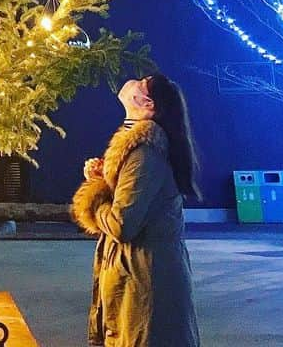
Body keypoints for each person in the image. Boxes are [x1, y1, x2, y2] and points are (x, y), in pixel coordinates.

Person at [71, 74, 201, 347]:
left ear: (148, 104)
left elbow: (122, 224)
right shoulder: (139, 148)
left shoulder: (145, 152)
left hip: (145, 279)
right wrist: (104, 180)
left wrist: (95, 199)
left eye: (143, 82)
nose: (134, 80)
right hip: (139, 273)